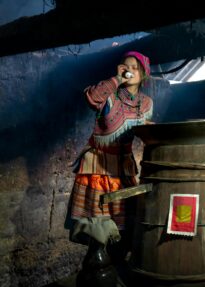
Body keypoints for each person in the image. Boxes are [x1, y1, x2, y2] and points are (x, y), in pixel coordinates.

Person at [68, 51, 153, 280]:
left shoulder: (146, 103)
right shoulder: (109, 95)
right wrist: (115, 79)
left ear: (144, 73)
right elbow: (92, 98)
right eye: (125, 66)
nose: (129, 70)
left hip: (124, 169)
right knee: (99, 232)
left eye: (135, 67)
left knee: (125, 230)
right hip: (99, 168)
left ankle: (113, 274)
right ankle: (96, 278)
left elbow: (145, 130)